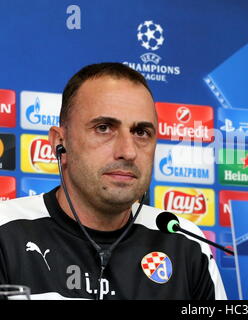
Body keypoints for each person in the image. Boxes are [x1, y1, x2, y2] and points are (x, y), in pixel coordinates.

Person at [0, 63, 227, 300]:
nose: (128, 152)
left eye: (141, 132)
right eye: (104, 128)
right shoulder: (5, 231)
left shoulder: (186, 245)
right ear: (60, 142)